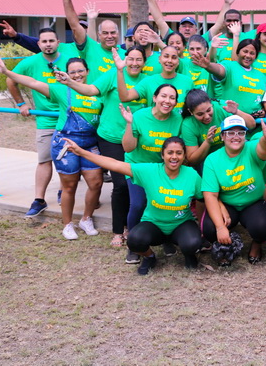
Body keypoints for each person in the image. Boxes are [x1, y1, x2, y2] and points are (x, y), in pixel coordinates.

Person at [0, 54, 103, 240]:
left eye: (80, 71)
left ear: (87, 71)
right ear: (66, 74)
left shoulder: (96, 91)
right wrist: (7, 72)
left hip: (90, 143)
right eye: (72, 72)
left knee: (96, 183)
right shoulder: (60, 90)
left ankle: (86, 218)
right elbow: (33, 82)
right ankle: (67, 224)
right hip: (66, 143)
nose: (76, 75)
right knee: (69, 186)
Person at [51, 47, 149, 247]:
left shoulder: (147, 80)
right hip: (111, 139)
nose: (134, 63)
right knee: (121, 185)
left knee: (137, 184)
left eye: (139, 59)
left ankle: (133, 227)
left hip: (136, 141)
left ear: (144, 62)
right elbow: (90, 90)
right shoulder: (113, 74)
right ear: (125, 59)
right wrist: (69, 81)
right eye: (131, 59)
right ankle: (118, 230)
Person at [63, 136, 203, 275]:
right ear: (162, 155)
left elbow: (204, 199)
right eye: (170, 153)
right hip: (154, 224)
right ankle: (149, 257)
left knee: (193, 243)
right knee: (134, 240)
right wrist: (81, 152)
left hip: (181, 224)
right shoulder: (150, 171)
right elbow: (114, 164)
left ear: (184, 155)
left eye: (179, 153)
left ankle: (189, 254)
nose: (174, 157)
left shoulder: (192, 175)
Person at [5, 27, 80, 217]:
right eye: (44, 41)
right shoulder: (30, 62)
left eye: (51, 41)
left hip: (70, 117)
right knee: (44, 159)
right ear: (38, 44)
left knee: (67, 158)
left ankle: (64, 191)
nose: (48, 44)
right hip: (46, 119)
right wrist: (21, 103)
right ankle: (39, 200)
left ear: (58, 42)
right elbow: (10, 80)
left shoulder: (70, 57)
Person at [201, 115, 266, 265]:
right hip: (228, 204)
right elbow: (210, 194)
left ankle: (256, 244)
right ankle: (224, 247)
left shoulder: (251, 148)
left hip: (253, 202)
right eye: (230, 132)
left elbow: (263, 150)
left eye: (240, 133)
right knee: (208, 227)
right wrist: (220, 227)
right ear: (222, 136)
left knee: (263, 228)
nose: (236, 137)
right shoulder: (212, 159)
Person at [122, 84, 183, 263]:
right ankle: (133, 246)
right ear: (154, 98)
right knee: (138, 205)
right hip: (138, 168)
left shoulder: (177, 119)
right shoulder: (140, 116)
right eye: (163, 96)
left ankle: (165, 239)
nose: (167, 101)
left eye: (172, 98)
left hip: (162, 169)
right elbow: (128, 147)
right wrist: (129, 124)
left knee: (163, 203)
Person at [59, 0, 124, 79]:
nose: (110, 36)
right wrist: (67, 0)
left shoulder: (126, 55)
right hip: (92, 94)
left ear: (118, 33)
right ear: (99, 35)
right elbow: (75, 26)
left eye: (113, 32)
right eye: (105, 33)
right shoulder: (91, 48)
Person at [181, 88, 256, 166]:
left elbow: (251, 125)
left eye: (209, 110)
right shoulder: (188, 124)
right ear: (190, 112)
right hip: (208, 159)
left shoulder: (221, 108)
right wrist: (207, 142)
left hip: (229, 150)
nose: (206, 116)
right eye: (200, 114)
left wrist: (236, 112)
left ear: (211, 103)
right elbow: (192, 160)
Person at [118, 45, 192, 112]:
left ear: (178, 61)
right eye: (166, 56)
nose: (169, 60)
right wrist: (120, 70)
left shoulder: (187, 82)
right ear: (159, 59)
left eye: (174, 57)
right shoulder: (149, 81)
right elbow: (125, 97)